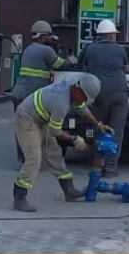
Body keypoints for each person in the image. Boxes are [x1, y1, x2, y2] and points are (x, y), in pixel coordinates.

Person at [12, 73, 106, 212]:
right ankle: (19, 198)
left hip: (41, 120)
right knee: (34, 158)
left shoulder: (73, 91)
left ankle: (69, 190)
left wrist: (98, 124)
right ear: (78, 90)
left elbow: (82, 109)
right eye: (84, 98)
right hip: (27, 119)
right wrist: (74, 139)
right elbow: (55, 131)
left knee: (54, 154)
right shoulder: (61, 103)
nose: (84, 101)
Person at [80, 19, 129, 176]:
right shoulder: (120, 49)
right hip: (120, 94)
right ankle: (111, 168)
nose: (115, 37)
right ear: (109, 36)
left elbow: (84, 68)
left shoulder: (90, 49)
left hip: (99, 94)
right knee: (117, 131)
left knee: (99, 128)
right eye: (114, 35)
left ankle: (98, 165)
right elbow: (127, 69)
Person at [10, 21, 67, 104]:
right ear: (42, 36)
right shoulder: (46, 50)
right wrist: (70, 61)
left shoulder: (28, 49)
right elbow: (59, 65)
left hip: (18, 94)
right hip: (31, 96)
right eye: (48, 35)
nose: (50, 38)